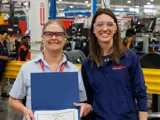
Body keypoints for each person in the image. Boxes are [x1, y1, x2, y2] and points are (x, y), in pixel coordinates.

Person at [9, 20, 91, 120]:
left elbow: (82, 102)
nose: (54, 38)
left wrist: (87, 107)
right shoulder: (27, 68)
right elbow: (13, 100)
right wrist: (25, 110)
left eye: (59, 34)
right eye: (48, 34)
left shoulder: (74, 71)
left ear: (65, 38)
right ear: (42, 38)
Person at [81, 8, 148, 120]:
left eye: (110, 24)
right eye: (100, 25)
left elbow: (141, 94)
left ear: (116, 28)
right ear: (93, 29)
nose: (105, 28)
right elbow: (88, 100)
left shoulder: (129, 58)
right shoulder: (88, 64)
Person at [0, 30, 10, 98]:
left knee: (4, 79)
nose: (6, 36)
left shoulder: (5, 43)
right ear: (0, 35)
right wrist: (3, 57)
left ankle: (3, 92)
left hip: (4, 65)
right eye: (5, 35)